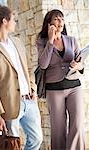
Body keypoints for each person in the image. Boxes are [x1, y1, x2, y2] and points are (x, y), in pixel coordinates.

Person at [0, 5, 43, 150]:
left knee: (37, 139)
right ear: (4, 21)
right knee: (12, 145)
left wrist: (33, 87)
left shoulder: (17, 42)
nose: (15, 23)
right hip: (9, 105)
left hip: (29, 100)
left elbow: (28, 68)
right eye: (13, 19)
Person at [36, 9, 85, 150]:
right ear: (49, 23)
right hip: (54, 89)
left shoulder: (72, 40)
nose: (60, 22)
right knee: (58, 129)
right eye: (57, 19)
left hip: (74, 86)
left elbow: (82, 62)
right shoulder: (42, 42)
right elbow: (43, 64)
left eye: (62, 19)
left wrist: (79, 65)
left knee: (77, 125)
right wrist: (50, 41)